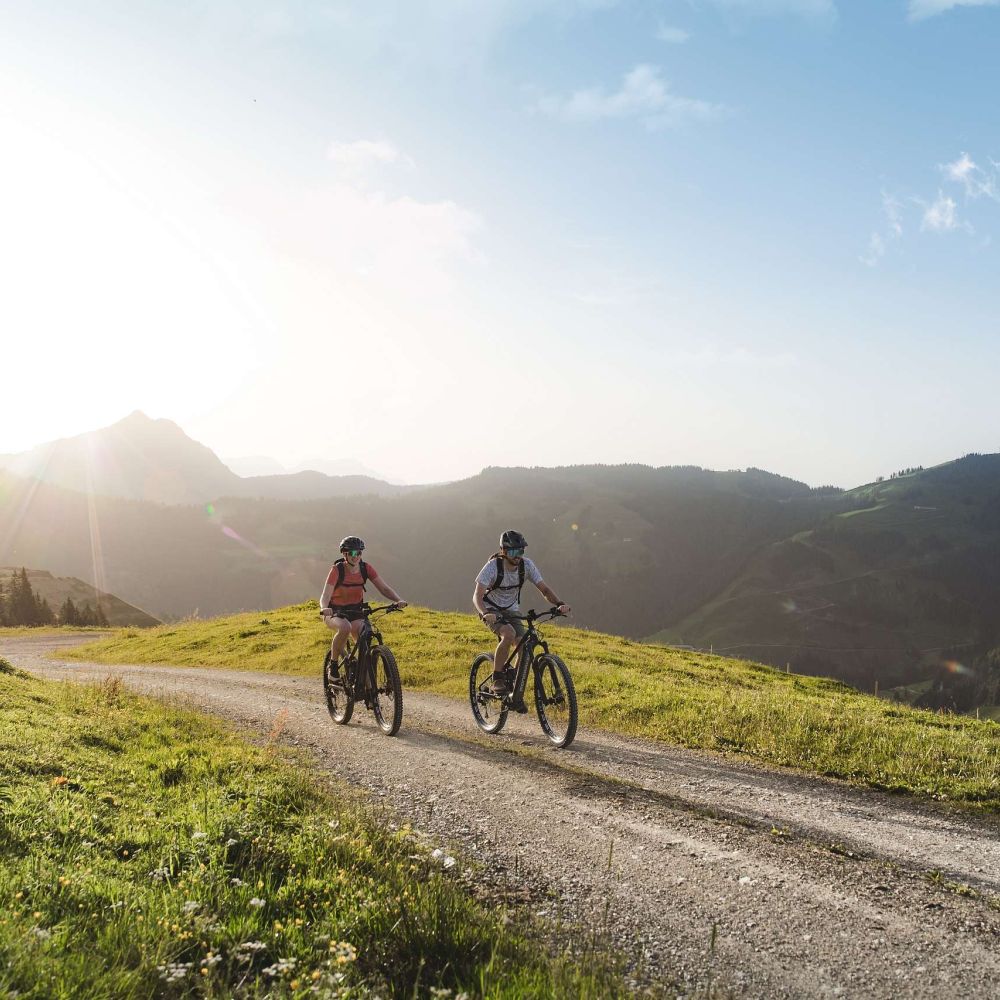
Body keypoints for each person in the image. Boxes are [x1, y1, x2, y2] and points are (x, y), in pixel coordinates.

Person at [472, 529, 570, 695]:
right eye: (513, 551)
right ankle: (497, 679)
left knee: (524, 646)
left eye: (521, 551)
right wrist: (485, 613)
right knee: (508, 634)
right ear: (503, 551)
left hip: (512, 610)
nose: (518, 555)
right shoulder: (492, 567)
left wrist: (559, 604)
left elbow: (544, 589)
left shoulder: (527, 565)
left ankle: (514, 688)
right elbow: (477, 595)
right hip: (491, 609)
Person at [320, 536, 407, 665]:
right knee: (345, 627)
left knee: (364, 636)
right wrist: (324, 608)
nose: (355, 556)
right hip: (335, 612)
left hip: (356, 612)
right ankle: (333, 665)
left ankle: (365, 674)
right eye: (352, 553)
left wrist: (398, 600)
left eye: (359, 553)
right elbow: (326, 595)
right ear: (344, 554)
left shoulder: (365, 568)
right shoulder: (337, 570)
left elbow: (384, 588)